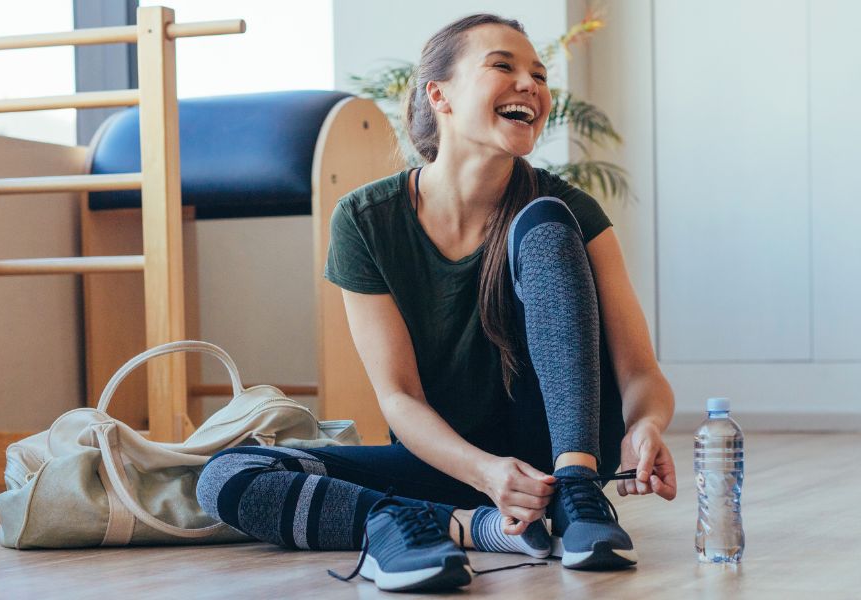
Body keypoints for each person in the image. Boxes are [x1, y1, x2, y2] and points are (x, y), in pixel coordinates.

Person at [196, 12, 677, 593]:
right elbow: (397, 396)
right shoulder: (365, 219)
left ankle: (574, 497)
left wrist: (645, 426)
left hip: (558, 459)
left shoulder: (566, 207)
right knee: (226, 474)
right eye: (503, 65)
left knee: (547, 223)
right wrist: (485, 473)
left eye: (540, 75)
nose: (532, 85)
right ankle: (458, 527)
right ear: (439, 94)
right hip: (452, 465)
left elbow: (641, 372)